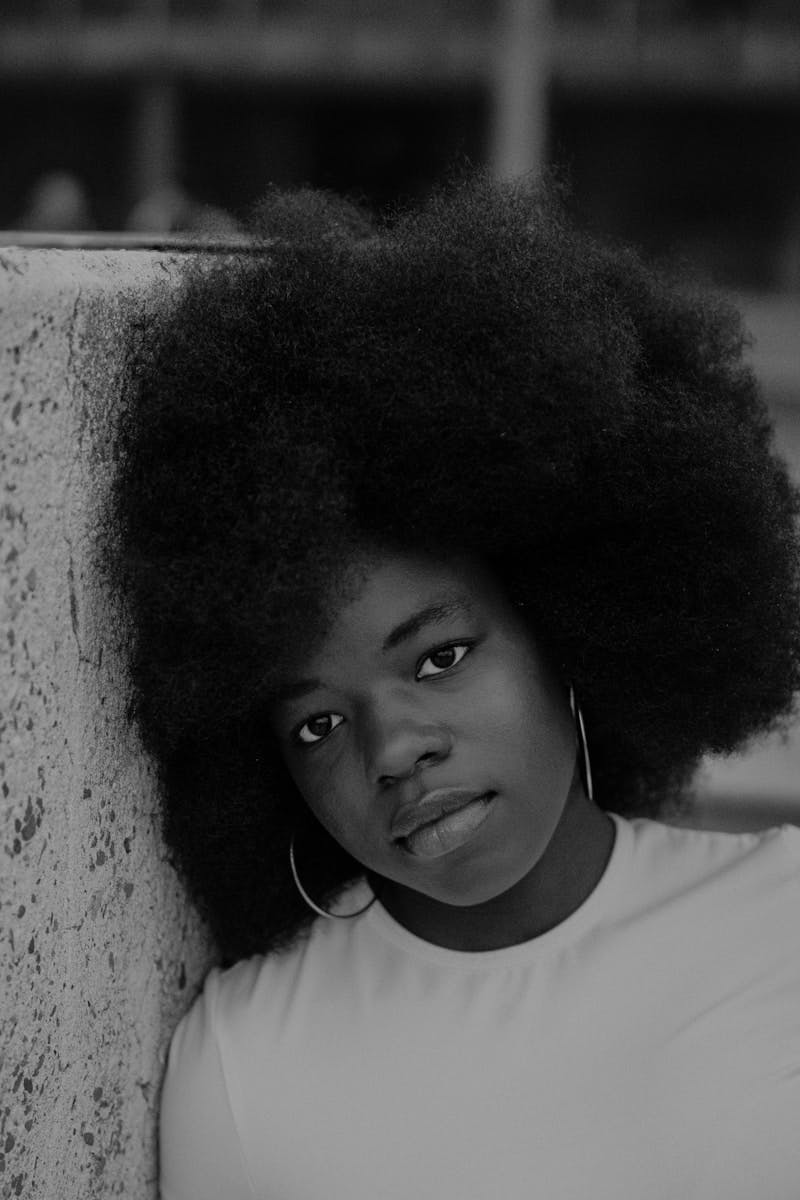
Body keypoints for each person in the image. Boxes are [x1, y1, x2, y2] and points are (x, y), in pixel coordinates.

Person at [110, 172, 800, 1199]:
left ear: (569, 624)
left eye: (438, 656)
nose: (392, 752)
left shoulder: (775, 927)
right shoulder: (246, 1068)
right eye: (317, 723)